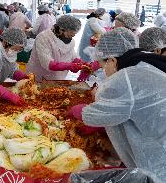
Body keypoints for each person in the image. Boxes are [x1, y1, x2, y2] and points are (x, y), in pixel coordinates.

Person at [69, 27, 166, 183]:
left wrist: (80, 111)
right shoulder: (145, 64)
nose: (104, 72)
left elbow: (95, 115)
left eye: (102, 66)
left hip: (158, 160)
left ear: (112, 60)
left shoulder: (126, 77)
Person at [26, 15, 96, 81]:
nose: (71, 37)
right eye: (69, 35)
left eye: (73, 35)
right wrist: (69, 66)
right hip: (39, 76)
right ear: (60, 30)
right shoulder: (44, 38)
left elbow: (72, 56)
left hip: (57, 77)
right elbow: (48, 64)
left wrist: (82, 63)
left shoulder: (71, 41)